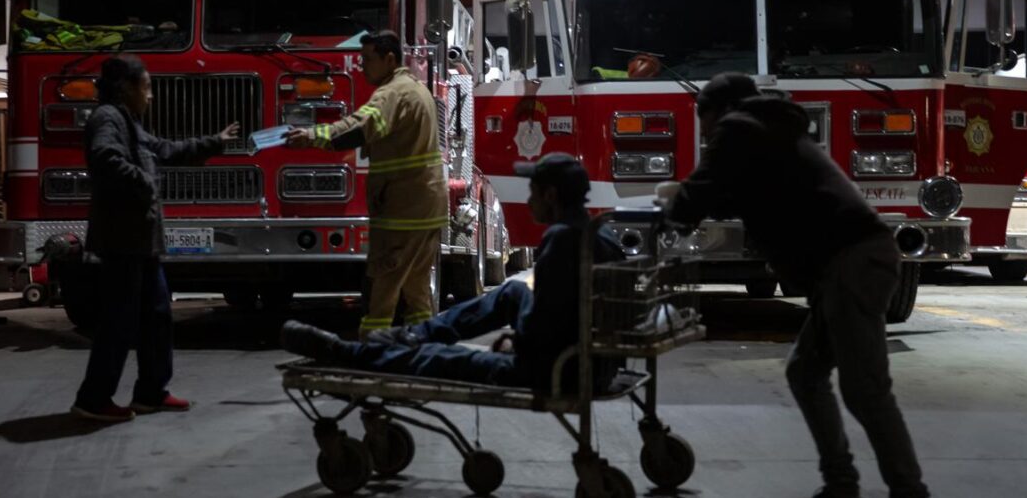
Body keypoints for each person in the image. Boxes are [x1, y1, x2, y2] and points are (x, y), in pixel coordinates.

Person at [664, 74, 929, 498]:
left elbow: (700, 192)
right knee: (805, 373)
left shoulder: (740, 128)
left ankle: (909, 490)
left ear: (719, 110)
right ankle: (841, 482)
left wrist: (672, 209)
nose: (703, 129)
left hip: (852, 260)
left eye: (703, 117)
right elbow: (742, 193)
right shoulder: (771, 130)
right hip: (852, 260)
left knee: (865, 390)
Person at [281, 153, 624, 392]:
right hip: (592, 362)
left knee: (441, 359)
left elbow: (545, 325)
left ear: (550, 195)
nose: (528, 198)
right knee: (512, 293)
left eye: (532, 190)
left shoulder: (562, 241)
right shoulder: (598, 234)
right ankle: (415, 334)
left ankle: (349, 354)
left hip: (555, 370)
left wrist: (518, 344)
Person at [72, 55, 239, 422]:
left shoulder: (129, 122)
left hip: (141, 243)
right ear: (126, 88)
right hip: (122, 242)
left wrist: (214, 142)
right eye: (146, 88)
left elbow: (164, 149)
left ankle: (150, 392)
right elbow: (104, 157)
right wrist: (143, 182)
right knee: (119, 322)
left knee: (157, 317)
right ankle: (93, 399)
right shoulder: (108, 119)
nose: (150, 96)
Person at [285, 31, 445, 336]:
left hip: (402, 210)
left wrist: (312, 136)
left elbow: (359, 127)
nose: (361, 66)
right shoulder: (415, 89)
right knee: (417, 291)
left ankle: (371, 348)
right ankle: (423, 347)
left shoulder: (392, 93)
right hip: (427, 207)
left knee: (380, 290)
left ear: (390, 59)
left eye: (368, 59)